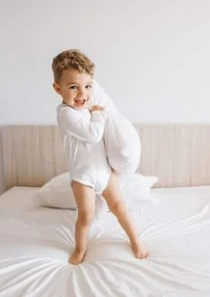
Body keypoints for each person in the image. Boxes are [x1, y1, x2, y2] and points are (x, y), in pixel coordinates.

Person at [52, 49, 149, 265]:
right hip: (83, 176)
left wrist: (98, 110)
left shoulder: (86, 107)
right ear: (58, 89)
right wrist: (98, 113)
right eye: (73, 87)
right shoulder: (65, 113)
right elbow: (93, 134)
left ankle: (136, 240)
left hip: (103, 171)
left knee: (119, 207)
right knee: (85, 216)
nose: (81, 94)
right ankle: (80, 249)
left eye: (87, 87)